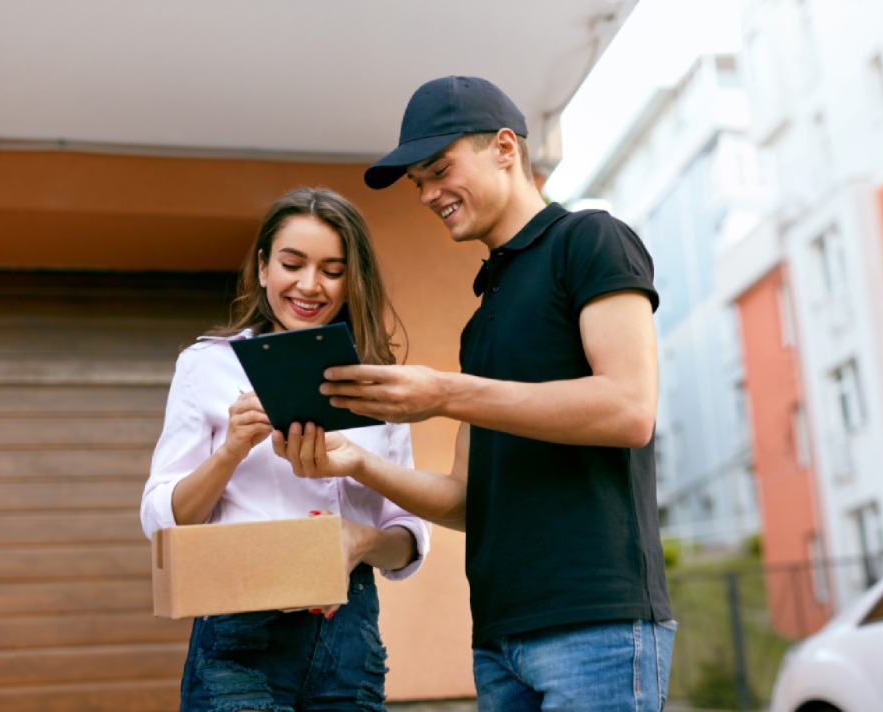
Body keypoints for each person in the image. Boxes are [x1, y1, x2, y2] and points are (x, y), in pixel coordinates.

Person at [274, 76, 675, 711]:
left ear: (506, 149)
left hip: (596, 625)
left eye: (439, 170)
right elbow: (466, 501)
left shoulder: (591, 241)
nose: (429, 194)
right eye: (419, 184)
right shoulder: (483, 311)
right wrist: (357, 462)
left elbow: (630, 409)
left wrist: (444, 393)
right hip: (498, 639)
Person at [140, 186, 431, 712]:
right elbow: (162, 521)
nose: (309, 285)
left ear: (352, 279)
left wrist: (360, 543)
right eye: (291, 263)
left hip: (351, 635)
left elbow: (409, 536)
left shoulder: (380, 386)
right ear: (262, 267)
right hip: (240, 636)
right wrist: (230, 449)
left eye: (332, 269)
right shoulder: (207, 366)